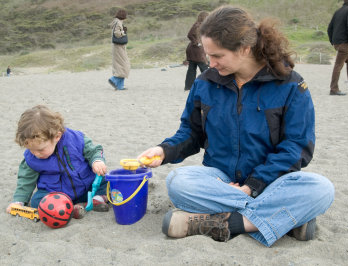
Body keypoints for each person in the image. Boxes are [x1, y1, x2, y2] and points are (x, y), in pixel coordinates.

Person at [137, 6, 335, 247]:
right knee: (178, 181)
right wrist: (164, 150)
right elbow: (191, 133)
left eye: (217, 56)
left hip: (271, 182)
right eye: (208, 55)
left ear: (244, 48)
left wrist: (252, 186)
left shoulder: (291, 85)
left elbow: (297, 147)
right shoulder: (205, 83)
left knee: (321, 189)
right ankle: (285, 220)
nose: (211, 63)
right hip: (220, 180)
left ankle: (229, 223)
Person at [6, 105, 109, 219]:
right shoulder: (32, 158)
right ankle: (75, 208)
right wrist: (19, 201)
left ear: (57, 136)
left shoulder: (76, 140)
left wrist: (97, 161)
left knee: (106, 180)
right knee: (37, 201)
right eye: (30, 149)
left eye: (40, 149)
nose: (35, 153)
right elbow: (26, 180)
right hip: (58, 195)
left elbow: (94, 151)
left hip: (86, 187)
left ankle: (94, 201)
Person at [327, 0, 348, 95]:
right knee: (338, 65)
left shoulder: (338, 11)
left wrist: (332, 41)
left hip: (337, 43)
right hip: (344, 43)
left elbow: (330, 28)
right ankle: (333, 89)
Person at [184, 11, 209, 91]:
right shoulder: (199, 25)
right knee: (204, 68)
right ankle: (208, 85)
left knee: (192, 69)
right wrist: (197, 43)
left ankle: (189, 87)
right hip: (196, 50)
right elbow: (189, 35)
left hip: (193, 50)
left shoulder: (198, 25)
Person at [108, 9, 130, 91]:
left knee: (121, 65)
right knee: (123, 65)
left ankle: (120, 86)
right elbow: (117, 34)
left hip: (117, 47)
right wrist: (123, 32)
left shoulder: (116, 22)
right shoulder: (118, 23)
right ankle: (113, 79)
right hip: (118, 47)